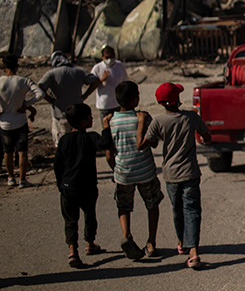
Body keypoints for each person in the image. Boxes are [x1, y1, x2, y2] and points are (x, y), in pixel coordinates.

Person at [138, 83, 210, 270]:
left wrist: (141, 123)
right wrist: (202, 138)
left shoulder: (159, 122)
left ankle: (181, 242)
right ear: (177, 100)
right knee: (192, 210)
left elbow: (145, 144)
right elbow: (206, 136)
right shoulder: (191, 117)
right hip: (190, 172)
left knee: (177, 209)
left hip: (170, 174)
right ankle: (193, 250)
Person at [106, 80, 162, 261]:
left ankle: (126, 235)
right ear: (134, 100)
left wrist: (116, 169)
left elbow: (109, 153)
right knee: (152, 204)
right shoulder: (142, 118)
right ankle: (151, 242)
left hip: (123, 172)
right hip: (145, 171)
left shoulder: (111, 121)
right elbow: (153, 143)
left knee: (123, 206)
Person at [54, 103, 112, 268]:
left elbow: (57, 164)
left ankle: (73, 250)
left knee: (70, 220)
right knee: (89, 215)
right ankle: (90, 243)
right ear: (83, 122)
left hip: (68, 186)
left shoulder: (64, 140)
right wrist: (106, 126)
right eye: (90, 117)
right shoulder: (90, 137)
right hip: (87, 186)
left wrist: (60, 183)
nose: (92, 118)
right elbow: (105, 143)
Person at [38, 50, 100, 147]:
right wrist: (85, 95)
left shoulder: (51, 74)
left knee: (62, 143)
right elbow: (96, 81)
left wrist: (49, 99)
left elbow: (39, 87)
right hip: (77, 114)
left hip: (60, 113)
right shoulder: (78, 71)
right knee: (78, 142)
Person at [0, 55, 44, 188]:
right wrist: (27, 104)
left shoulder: (0, 81)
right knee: (22, 152)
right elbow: (40, 94)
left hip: (5, 122)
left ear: (4, 67)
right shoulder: (23, 81)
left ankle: (10, 177)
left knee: (8, 152)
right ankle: (22, 180)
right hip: (20, 120)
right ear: (17, 66)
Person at [90, 46, 128, 120]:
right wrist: (102, 79)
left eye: (112, 57)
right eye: (107, 57)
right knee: (106, 128)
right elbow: (91, 86)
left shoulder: (119, 66)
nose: (110, 60)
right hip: (104, 105)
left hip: (117, 103)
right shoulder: (97, 68)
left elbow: (125, 82)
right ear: (102, 57)